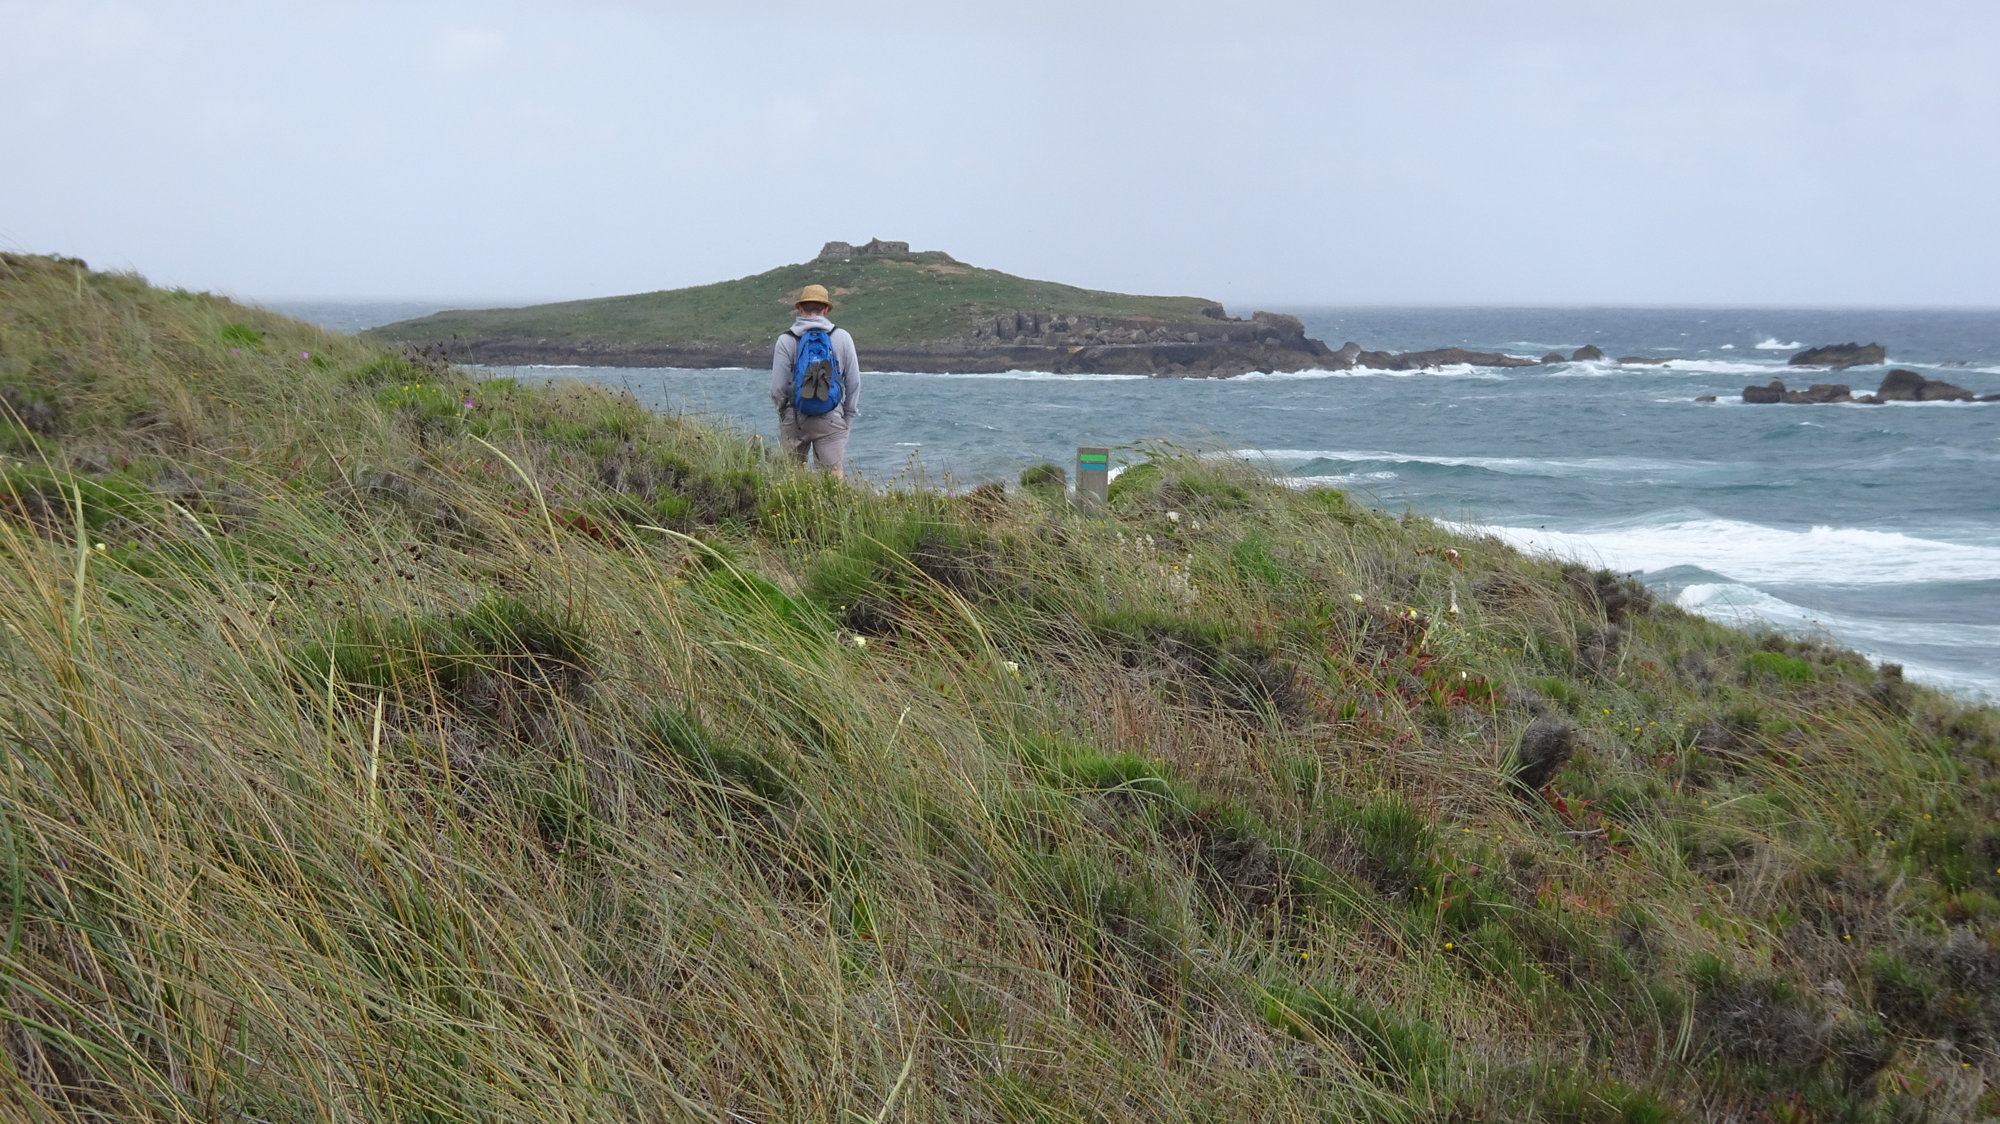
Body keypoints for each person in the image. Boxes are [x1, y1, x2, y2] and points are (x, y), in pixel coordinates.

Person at [770, 284, 860, 478]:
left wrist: (784, 413)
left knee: (790, 479)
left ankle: (791, 509)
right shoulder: (842, 337)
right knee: (831, 481)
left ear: (801, 308)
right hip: (831, 416)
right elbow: (853, 382)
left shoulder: (786, 340)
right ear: (825, 309)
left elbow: (777, 388)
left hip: (795, 417)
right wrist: (848, 417)